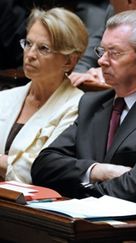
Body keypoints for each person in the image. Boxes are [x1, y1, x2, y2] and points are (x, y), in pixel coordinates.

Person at [31, 10, 136, 201]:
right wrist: (98, 170)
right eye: (101, 51)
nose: (101, 61)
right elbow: (43, 165)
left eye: (114, 53)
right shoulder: (92, 103)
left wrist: (74, 188)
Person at [0, 8, 87, 183]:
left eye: (43, 48)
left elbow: (41, 170)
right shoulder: (5, 97)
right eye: (28, 44)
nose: (30, 55)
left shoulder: (78, 106)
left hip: (31, 207)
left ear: (69, 61)